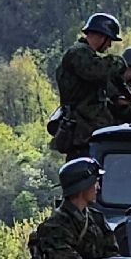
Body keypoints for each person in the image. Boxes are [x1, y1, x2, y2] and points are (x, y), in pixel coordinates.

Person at [49, 13, 125, 156]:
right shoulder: (78, 53)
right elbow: (96, 72)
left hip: (88, 133)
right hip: (82, 134)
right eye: (109, 40)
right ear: (102, 36)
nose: (109, 45)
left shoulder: (86, 55)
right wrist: (118, 63)